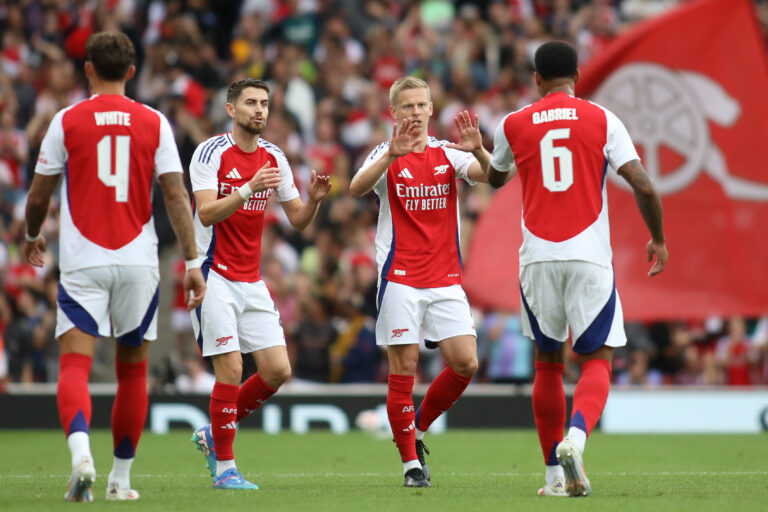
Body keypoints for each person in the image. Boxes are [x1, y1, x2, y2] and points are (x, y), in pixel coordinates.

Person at [22, 32, 206, 502]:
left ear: (87, 69)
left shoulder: (66, 121)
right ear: (130, 71)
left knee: (75, 366)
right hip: (138, 261)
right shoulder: (155, 122)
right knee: (134, 374)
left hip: (84, 259)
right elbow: (175, 196)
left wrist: (31, 234)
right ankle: (120, 481)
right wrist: (191, 260)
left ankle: (81, 455)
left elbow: (40, 195)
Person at [487, 41, 668, 497]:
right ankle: (577, 438)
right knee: (599, 358)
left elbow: (494, 177)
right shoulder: (602, 119)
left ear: (536, 79)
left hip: (537, 259)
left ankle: (552, 478)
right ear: (578, 75)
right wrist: (659, 239)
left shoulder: (512, 123)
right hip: (588, 256)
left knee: (547, 363)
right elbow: (643, 185)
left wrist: (478, 149)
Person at [188, 78, 331, 490]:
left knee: (277, 370)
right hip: (212, 273)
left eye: (265, 103)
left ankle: (214, 434)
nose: (260, 110)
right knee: (231, 368)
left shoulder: (275, 157)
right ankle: (225, 469)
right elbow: (207, 214)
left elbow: (298, 219)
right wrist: (249, 187)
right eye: (250, 103)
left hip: (251, 278)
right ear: (231, 109)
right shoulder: (210, 153)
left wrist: (316, 200)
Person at [349, 76, 491, 488]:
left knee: (466, 363)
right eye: (406, 106)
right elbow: (357, 188)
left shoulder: (449, 153)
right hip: (400, 278)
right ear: (393, 113)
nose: (414, 113)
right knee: (404, 367)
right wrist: (390, 155)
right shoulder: (384, 152)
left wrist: (479, 146)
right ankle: (411, 465)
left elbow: (494, 175)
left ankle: (419, 430)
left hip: (445, 278)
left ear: (432, 109)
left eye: (421, 105)